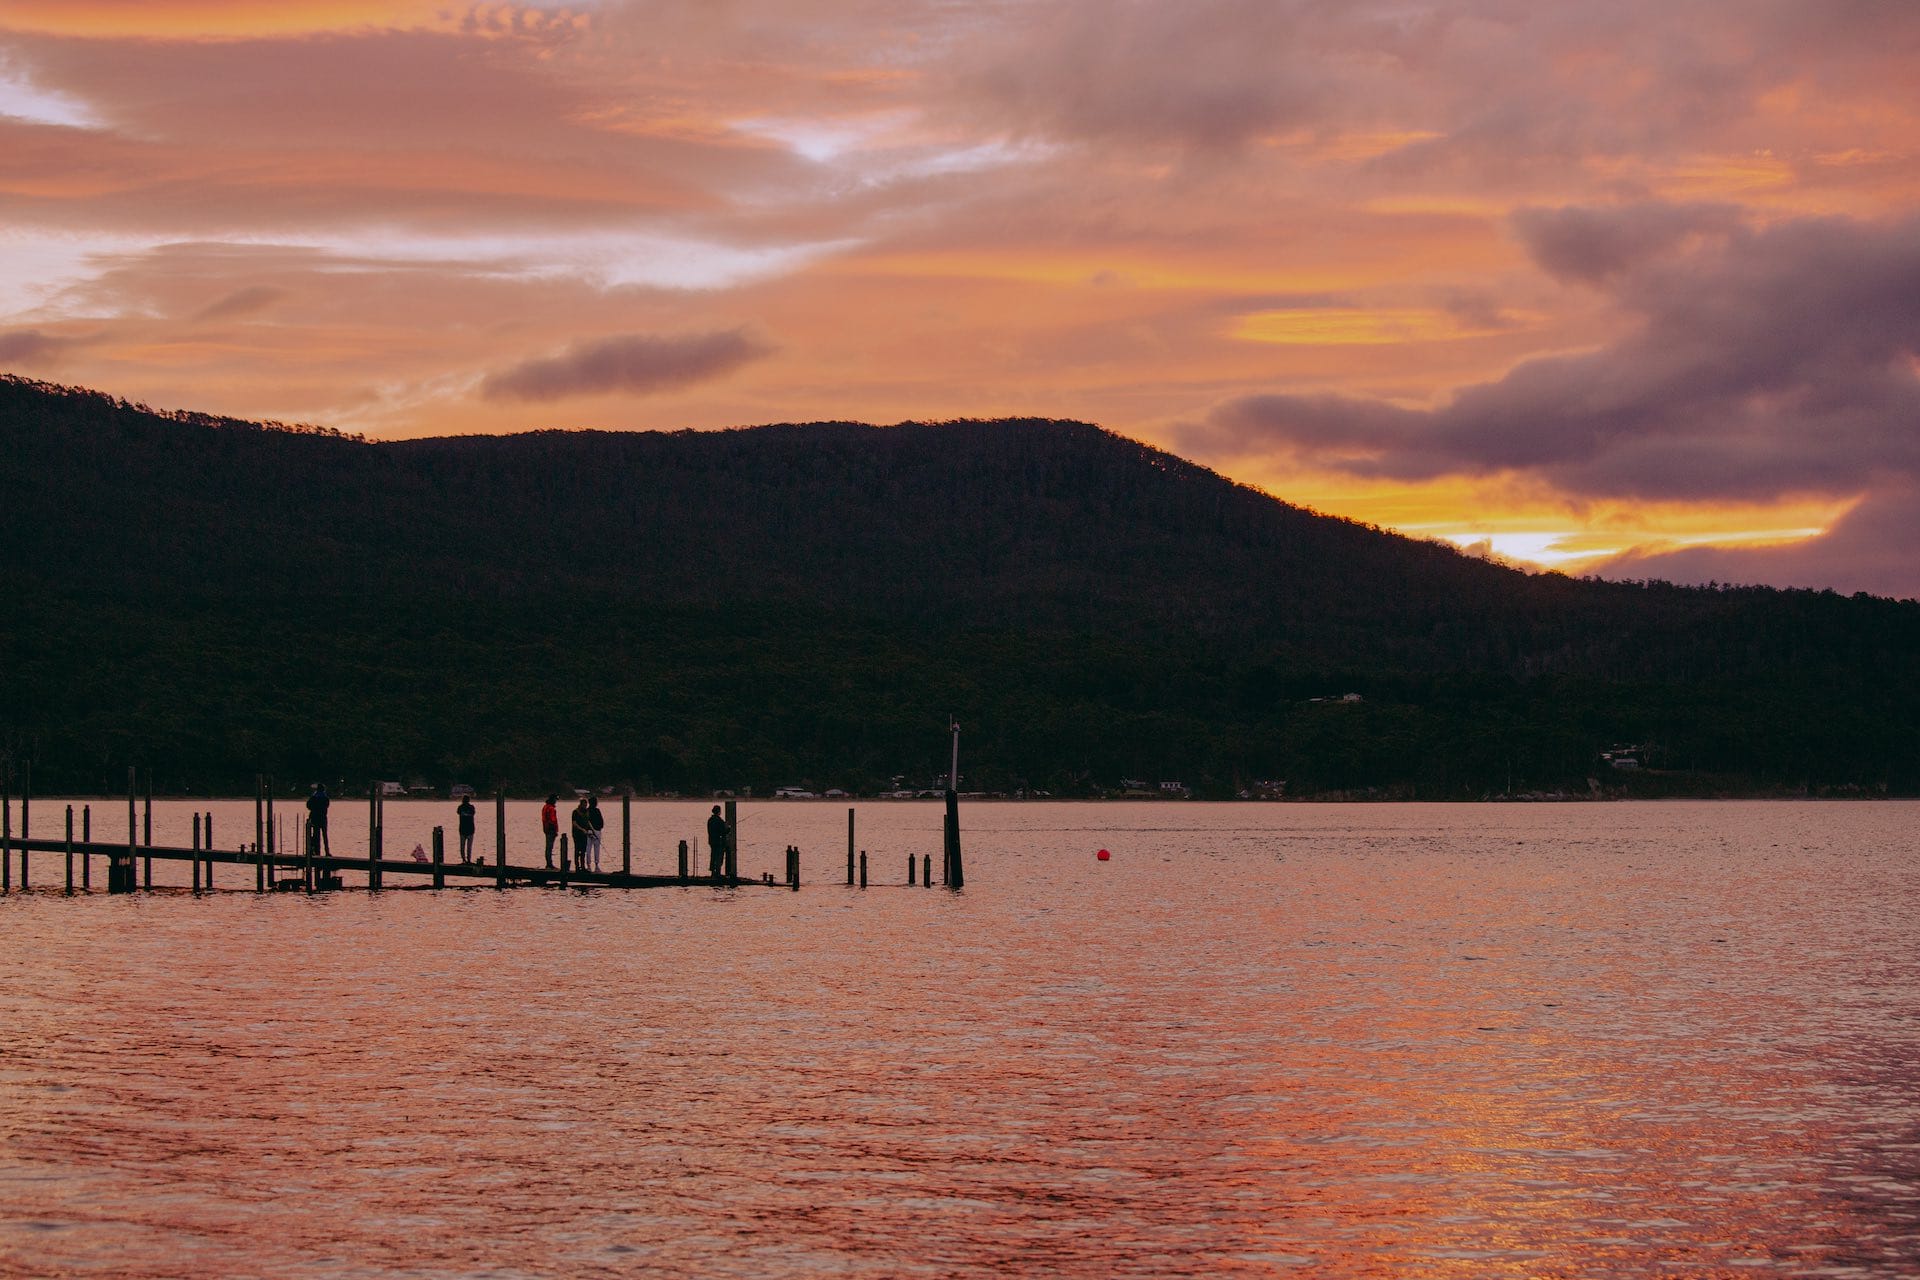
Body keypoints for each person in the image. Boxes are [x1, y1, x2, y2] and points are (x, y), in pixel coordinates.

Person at [306, 783, 331, 857]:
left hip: (315, 818)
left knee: (316, 836)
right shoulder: (325, 798)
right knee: (325, 836)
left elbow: (308, 805)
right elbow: (327, 805)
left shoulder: (313, 797)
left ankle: (317, 852)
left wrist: (314, 809)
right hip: (323, 818)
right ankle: (327, 852)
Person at [570, 796, 593, 873]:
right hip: (577, 833)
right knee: (577, 849)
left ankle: (583, 867)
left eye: (586, 805)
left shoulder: (586, 812)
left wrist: (591, 829)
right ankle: (577, 866)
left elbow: (588, 822)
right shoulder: (575, 812)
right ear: (581, 804)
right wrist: (581, 829)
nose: (585, 806)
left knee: (583, 850)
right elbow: (574, 823)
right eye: (584, 804)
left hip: (584, 834)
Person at [706, 804, 728, 880]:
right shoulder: (719, 821)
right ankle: (718, 873)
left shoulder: (710, 820)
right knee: (719, 857)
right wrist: (728, 829)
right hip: (719, 841)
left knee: (713, 856)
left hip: (712, 841)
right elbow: (723, 832)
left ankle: (712, 873)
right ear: (719, 811)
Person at [587, 796, 605, 873]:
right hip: (596, 832)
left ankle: (588, 866)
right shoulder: (597, 811)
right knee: (596, 849)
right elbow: (601, 822)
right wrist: (598, 829)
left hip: (589, 832)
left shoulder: (586, 811)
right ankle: (596, 866)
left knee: (588, 849)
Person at [456, 794, 476, 863]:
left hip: (463, 829)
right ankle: (468, 860)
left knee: (462, 846)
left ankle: (464, 859)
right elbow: (472, 813)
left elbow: (459, 813)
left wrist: (464, 814)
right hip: (470, 829)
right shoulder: (471, 807)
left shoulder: (460, 807)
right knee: (469, 847)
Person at [541, 794, 559, 868]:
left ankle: (548, 863)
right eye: (555, 800)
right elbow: (553, 820)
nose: (556, 801)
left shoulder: (545, 807)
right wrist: (555, 830)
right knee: (549, 847)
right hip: (551, 829)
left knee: (548, 847)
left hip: (546, 829)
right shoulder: (551, 808)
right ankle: (549, 864)